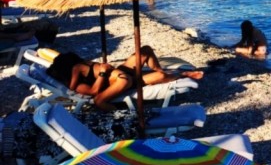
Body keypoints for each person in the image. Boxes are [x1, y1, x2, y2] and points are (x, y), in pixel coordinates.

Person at [46, 46, 204, 111]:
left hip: (120, 76)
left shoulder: (79, 68)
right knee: (98, 101)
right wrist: (102, 72)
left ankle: (179, 73)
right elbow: (91, 91)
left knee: (145, 50)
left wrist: (103, 71)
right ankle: (121, 116)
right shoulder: (78, 74)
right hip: (121, 79)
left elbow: (74, 87)